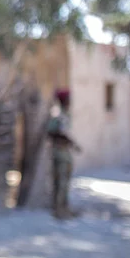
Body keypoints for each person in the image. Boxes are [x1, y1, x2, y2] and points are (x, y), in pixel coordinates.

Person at [45, 88, 81, 219]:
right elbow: (51, 133)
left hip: (65, 153)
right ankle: (58, 209)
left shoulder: (65, 115)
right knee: (59, 182)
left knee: (65, 182)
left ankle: (64, 208)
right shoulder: (57, 115)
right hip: (59, 153)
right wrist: (64, 139)